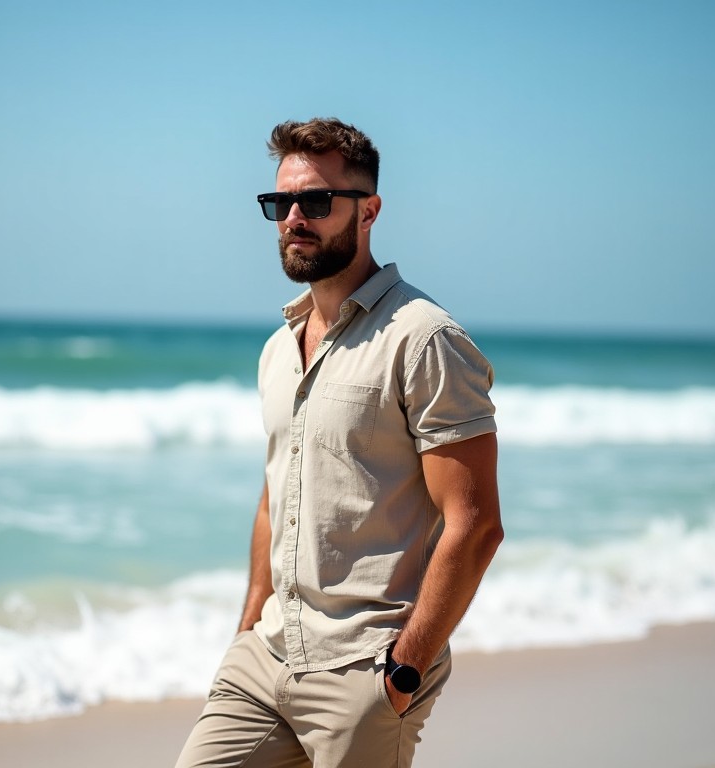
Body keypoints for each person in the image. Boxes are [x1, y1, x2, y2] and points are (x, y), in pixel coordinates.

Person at [175, 117, 503, 768]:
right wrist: (247, 627)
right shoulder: (278, 350)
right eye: (281, 203)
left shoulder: (423, 338)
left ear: (369, 210)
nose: (295, 217)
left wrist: (400, 676)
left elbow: (475, 524)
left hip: (365, 665)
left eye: (317, 202)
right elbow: (277, 495)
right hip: (265, 658)